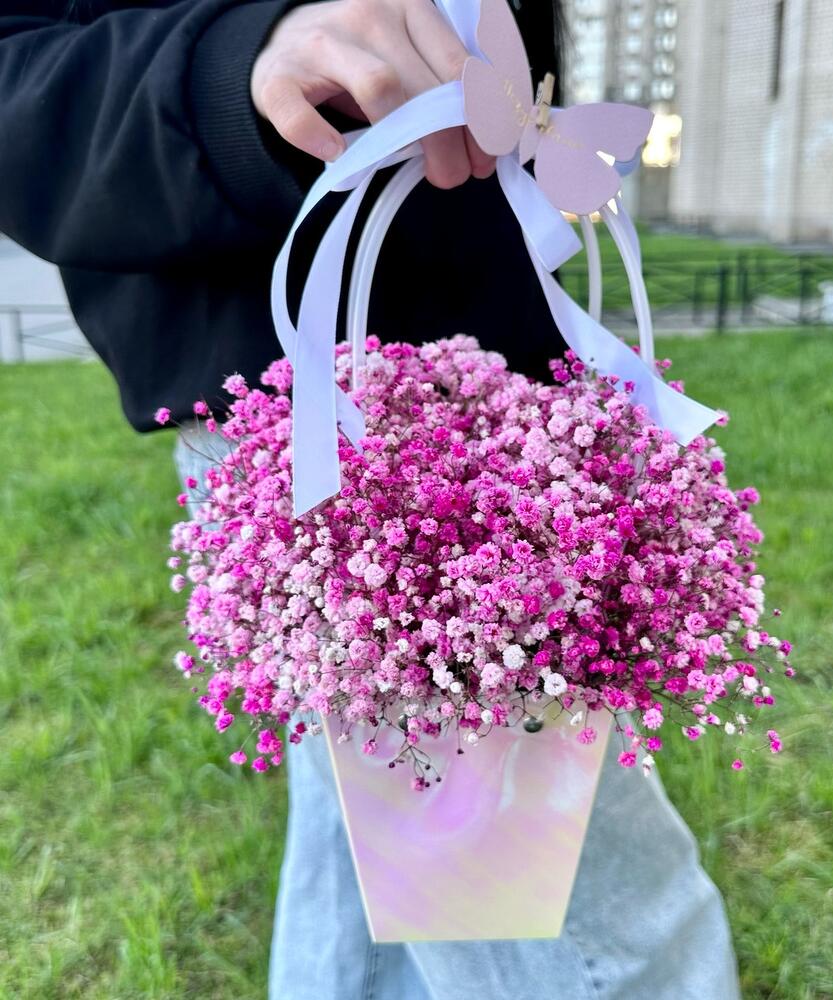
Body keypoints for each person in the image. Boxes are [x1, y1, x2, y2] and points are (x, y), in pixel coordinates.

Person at [0, 2, 742, 997]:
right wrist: (230, 68)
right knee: (614, 940)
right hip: (320, 450)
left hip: (491, 399)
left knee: (366, 867)